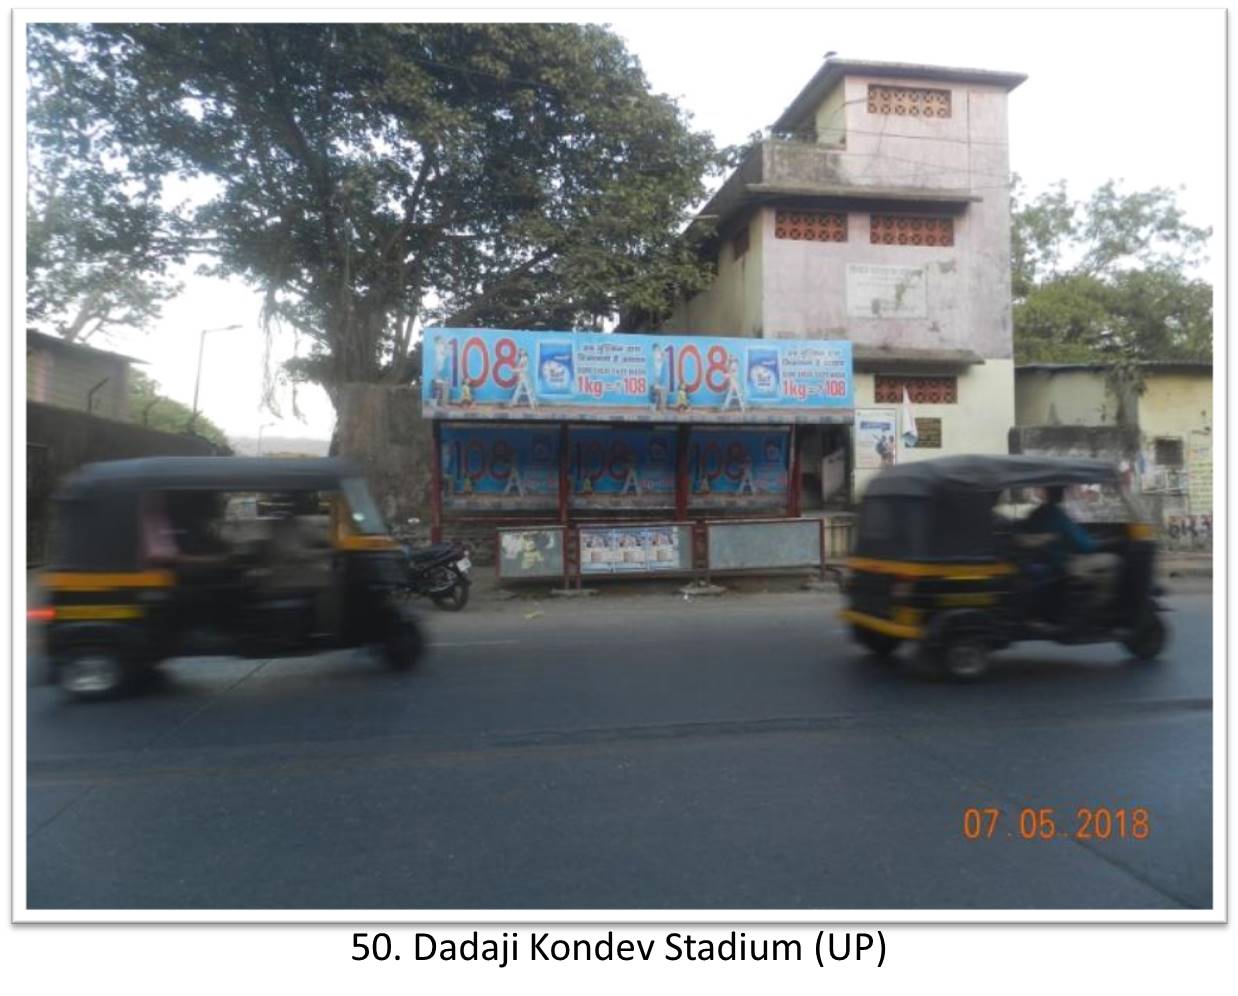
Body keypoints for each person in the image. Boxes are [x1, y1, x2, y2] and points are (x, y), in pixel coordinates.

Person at [1018, 486, 1120, 619]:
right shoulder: (1058, 515)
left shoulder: (1035, 513)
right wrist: (1109, 541)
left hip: (1045, 561)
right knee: (1115, 561)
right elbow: (1086, 547)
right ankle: (1099, 607)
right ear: (1061, 493)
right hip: (1063, 565)